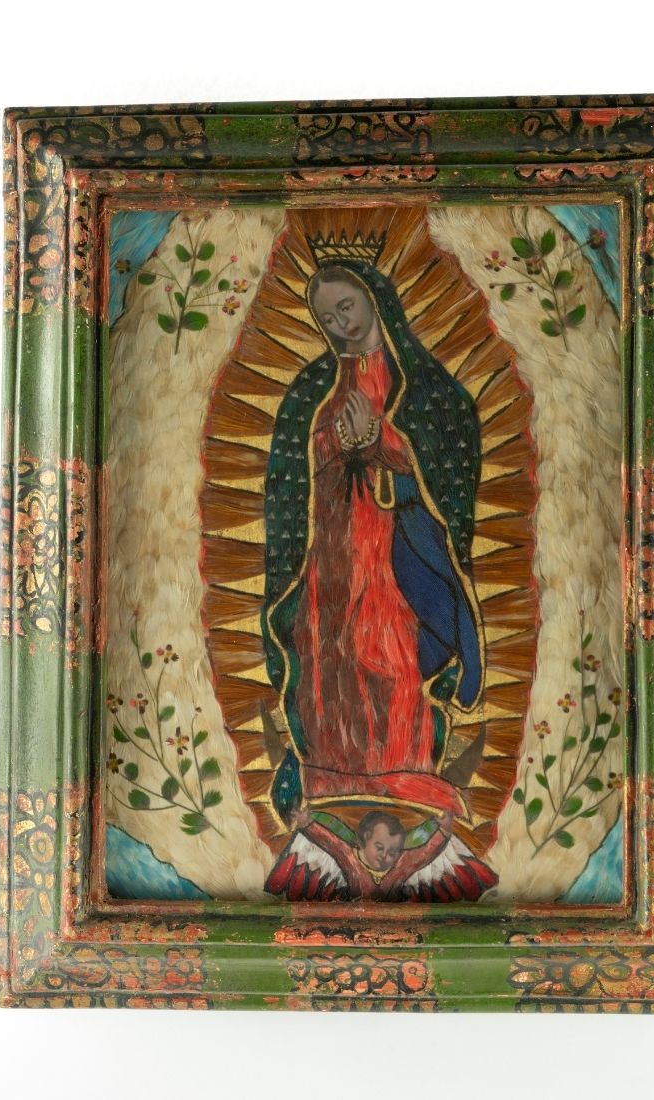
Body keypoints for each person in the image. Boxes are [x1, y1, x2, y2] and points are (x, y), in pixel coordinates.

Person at [260, 247, 486, 831]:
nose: (340, 324)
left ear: (375, 300)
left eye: (346, 307)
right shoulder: (314, 389)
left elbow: (446, 449)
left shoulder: (423, 386)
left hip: (390, 545)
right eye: (326, 318)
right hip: (331, 549)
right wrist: (338, 443)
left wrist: (380, 440)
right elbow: (293, 474)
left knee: (383, 653)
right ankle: (334, 774)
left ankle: (398, 769)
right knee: (328, 656)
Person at [264, 807, 497, 902]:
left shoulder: (400, 865)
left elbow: (424, 854)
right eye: (379, 847)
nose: (386, 856)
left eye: (393, 851)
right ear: (363, 840)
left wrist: (444, 831)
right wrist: (307, 824)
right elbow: (331, 843)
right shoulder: (350, 858)